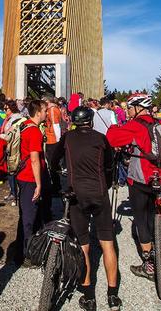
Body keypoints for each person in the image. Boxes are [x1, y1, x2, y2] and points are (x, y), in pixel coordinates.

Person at [48, 106, 121, 311]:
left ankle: (89, 297)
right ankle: (113, 296)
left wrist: (60, 172)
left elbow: (53, 160)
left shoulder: (68, 138)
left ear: (73, 121)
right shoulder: (101, 138)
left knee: (84, 244)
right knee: (107, 243)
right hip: (99, 192)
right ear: (90, 121)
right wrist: (104, 184)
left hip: (76, 194)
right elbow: (109, 166)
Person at [107, 93, 161, 280]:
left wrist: (115, 125)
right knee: (154, 209)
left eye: (130, 108)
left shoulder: (134, 125)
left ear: (138, 108)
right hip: (159, 175)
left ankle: (149, 264)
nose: (128, 112)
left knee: (141, 218)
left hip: (140, 177)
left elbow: (112, 139)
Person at [16, 99, 52, 263]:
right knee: (29, 218)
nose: (47, 113)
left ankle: (23, 250)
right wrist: (39, 184)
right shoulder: (35, 132)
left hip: (23, 176)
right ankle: (26, 255)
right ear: (38, 112)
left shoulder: (25, 126)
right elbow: (35, 160)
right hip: (30, 178)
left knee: (26, 214)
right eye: (45, 111)